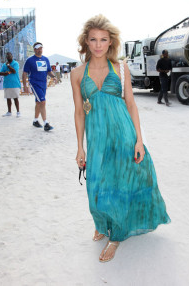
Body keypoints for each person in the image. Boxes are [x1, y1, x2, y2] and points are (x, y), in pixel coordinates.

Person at [71, 15, 171, 263]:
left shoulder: (120, 68)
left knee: (120, 184)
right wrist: (79, 147)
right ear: (86, 41)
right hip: (98, 139)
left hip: (123, 135)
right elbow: (79, 112)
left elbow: (132, 105)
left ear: (110, 42)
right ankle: (102, 224)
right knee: (97, 184)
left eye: (103, 40)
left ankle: (116, 235)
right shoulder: (76, 74)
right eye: (93, 39)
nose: (98, 45)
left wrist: (139, 140)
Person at [22, 42, 57, 131]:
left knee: (38, 102)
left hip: (43, 84)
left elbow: (49, 71)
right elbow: (24, 73)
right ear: (34, 49)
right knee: (43, 102)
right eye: (37, 48)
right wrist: (25, 86)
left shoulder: (45, 59)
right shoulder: (30, 60)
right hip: (34, 83)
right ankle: (46, 123)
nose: (39, 50)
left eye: (41, 48)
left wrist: (54, 77)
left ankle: (35, 120)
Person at [0, 52, 21, 117]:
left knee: (15, 98)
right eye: (7, 56)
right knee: (8, 98)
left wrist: (9, 66)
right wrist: (5, 73)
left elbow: (14, 71)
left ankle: (18, 112)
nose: (8, 57)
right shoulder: (4, 64)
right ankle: (9, 112)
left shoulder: (15, 63)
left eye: (9, 55)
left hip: (15, 84)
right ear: (6, 57)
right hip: (7, 84)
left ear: (12, 56)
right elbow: (1, 73)